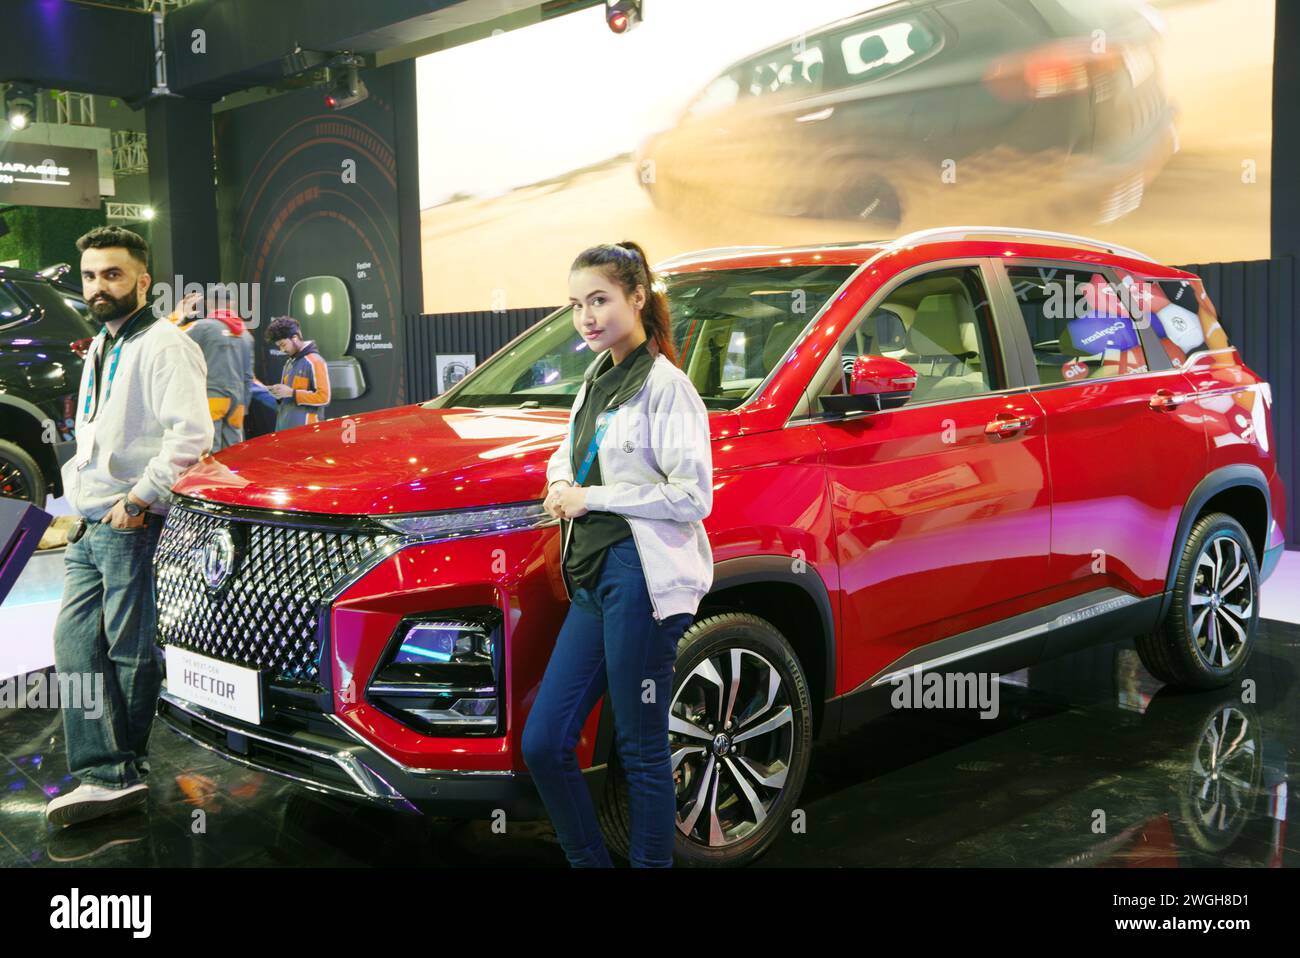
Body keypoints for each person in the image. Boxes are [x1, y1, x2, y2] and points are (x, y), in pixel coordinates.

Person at [522, 240, 714, 867]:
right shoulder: (597, 376)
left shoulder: (668, 387)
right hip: (593, 577)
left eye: (599, 300)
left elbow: (694, 496)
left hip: (641, 577)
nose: (587, 317)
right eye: (577, 304)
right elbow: (572, 449)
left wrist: (592, 498)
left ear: (637, 298)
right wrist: (558, 483)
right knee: (545, 741)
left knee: (641, 750)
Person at [45, 226, 213, 827]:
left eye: (112, 275)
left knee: (130, 651)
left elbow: (191, 438)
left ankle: (115, 773)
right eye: (90, 276)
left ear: (142, 280)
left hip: (130, 519)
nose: (98, 287)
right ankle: (105, 769)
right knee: (74, 646)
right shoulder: (101, 346)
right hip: (90, 522)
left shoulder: (163, 345)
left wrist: (137, 501)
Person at [176, 293, 251, 451]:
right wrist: (244, 405)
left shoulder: (204, 326)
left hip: (213, 397)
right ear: (232, 304)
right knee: (235, 450)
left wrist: (180, 316)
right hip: (238, 402)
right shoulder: (246, 335)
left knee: (211, 450)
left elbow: (172, 339)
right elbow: (248, 376)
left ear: (209, 304)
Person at [264, 315, 331, 430]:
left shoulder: (315, 361)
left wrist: (292, 393)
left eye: (283, 345)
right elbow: (287, 395)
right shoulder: (289, 363)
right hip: (285, 430)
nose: (282, 350)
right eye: (279, 346)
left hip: (307, 434)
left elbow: (324, 397)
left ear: (295, 338)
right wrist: (278, 393)